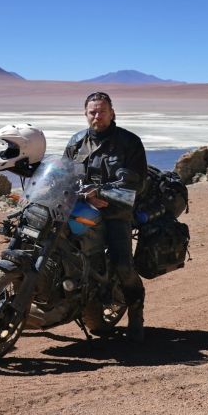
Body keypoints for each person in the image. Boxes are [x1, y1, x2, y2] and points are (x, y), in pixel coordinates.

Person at [63, 92, 149, 342]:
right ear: (85, 113)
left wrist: (101, 193)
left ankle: (135, 313)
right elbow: (63, 173)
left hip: (115, 211)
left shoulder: (129, 142)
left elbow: (137, 182)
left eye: (101, 111)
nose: (96, 116)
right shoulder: (76, 142)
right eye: (92, 112)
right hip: (80, 208)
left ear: (112, 113)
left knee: (123, 264)